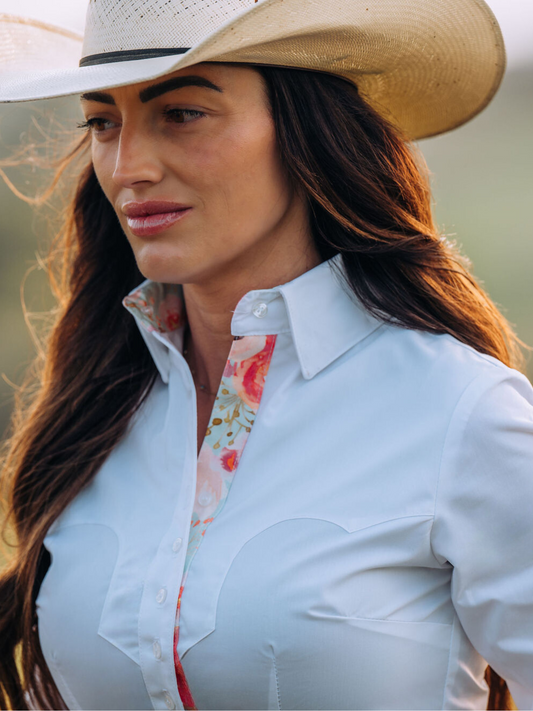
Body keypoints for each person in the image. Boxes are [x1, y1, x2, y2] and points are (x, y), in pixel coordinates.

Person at [0, 0, 532, 709]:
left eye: (182, 113)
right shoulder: (96, 414)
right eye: (103, 122)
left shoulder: (455, 411)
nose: (128, 165)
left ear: (307, 128)